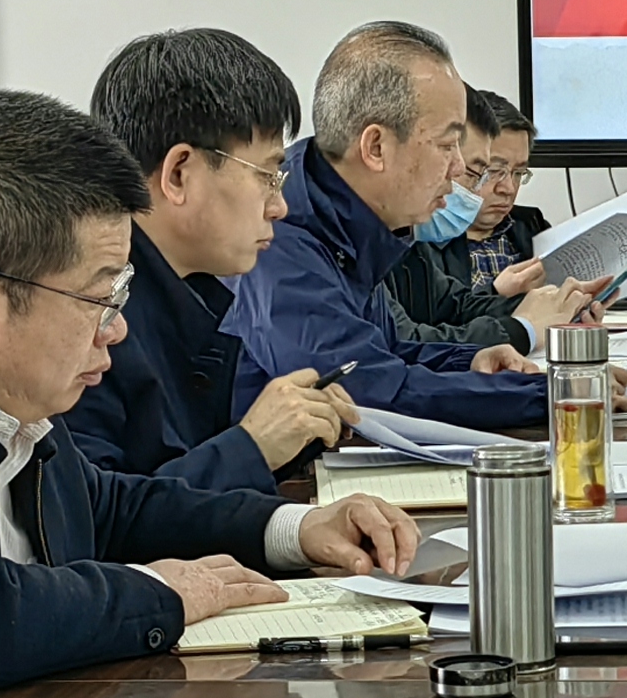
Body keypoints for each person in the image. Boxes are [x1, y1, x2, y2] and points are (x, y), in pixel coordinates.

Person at [0, 91, 420, 689]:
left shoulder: (4, 383)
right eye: (101, 297)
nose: (117, 329)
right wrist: (163, 593)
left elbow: (106, 508)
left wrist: (294, 527)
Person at [226, 22, 583, 429]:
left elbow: (387, 350)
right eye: (447, 145)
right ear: (376, 147)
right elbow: (368, 390)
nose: (458, 169)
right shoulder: (284, 235)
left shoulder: (351, 219)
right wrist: (559, 394)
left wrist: (469, 361)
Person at [70, 28, 354, 491]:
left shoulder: (186, 293)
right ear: (179, 174)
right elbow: (97, 513)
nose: (279, 206)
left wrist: (287, 441)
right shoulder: (86, 312)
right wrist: (253, 447)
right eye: (267, 175)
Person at [389, 89, 554, 346]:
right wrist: (522, 329)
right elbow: (405, 343)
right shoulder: (360, 239)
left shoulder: (404, 239)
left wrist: (556, 306)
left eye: (518, 173)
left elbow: (453, 305)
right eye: (484, 172)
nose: (508, 188)